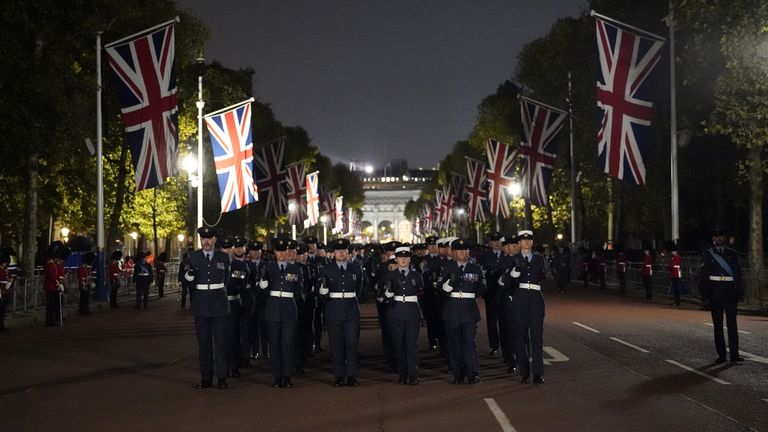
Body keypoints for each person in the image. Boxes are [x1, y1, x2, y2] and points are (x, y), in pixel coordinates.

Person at [184, 227, 231, 390]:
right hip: (201, 303)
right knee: (203, 344)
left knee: (221, 342)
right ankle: (206, 378)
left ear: (215, 240)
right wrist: (188, 278)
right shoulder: (192, 257)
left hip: (219, 302)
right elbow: (186, 281)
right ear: (200, 240)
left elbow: (228, 280)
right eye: (204, 239)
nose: (207, 242)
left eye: (210, 238)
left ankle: (222, 377)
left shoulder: (224, 257)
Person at [318, 238, 364, 387]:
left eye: (344, 251)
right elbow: (321, 292)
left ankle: (351, 374)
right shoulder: (326, 269)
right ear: (334, 253)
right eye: (338, 251)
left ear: (347, 252)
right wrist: (323, 291)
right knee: (336, 344)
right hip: (334, 308)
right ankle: (338, 375)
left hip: (351, 308)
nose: (341, 253)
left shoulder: (356, 268)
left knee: (351, 342)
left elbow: (360, 289)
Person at [440, 238, 485, 385]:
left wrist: (474, 293)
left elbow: (481, 288)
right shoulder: (445, 267)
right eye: (458, 250)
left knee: (469, 343)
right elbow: (439, 289)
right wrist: (446, 286)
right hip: (452, 309)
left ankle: (473, 373)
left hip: (468, 310)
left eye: (464, 250)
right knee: (454, 344)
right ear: (453, 252)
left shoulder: (475, 269)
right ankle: (458, 373)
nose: (461, 253)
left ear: (468, 252)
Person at [259, 238, 303, 388]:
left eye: (285, 251)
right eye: (279, 251)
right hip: (272, 308)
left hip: (289, 309)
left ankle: (287, 375)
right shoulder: (268, 268)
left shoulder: (296, 269)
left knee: (287, 343)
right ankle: (277, 376)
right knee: (275, 344)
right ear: (275, 253)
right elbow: (262, 291)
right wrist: (263, 285)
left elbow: (298, 291)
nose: (282, 254)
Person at [698, 227, 744, 363]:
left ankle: (734, 355)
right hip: (715, 292)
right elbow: (702, 277)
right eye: (717, 237)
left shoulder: (733, 254)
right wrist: (705, 297)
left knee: (732, 324)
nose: (719, 239)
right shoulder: (708, 255)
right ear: (713, 239)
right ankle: (722, 355)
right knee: (718, 325)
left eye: (722, 236)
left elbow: (738, 274)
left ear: (724, 238)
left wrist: (740, 291)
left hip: (730, 293)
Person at [507, 230, 547, 384]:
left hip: (536, 298)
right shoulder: (513, 259)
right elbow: (507, 282)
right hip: (520, 299)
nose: (526, 243)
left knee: (537, 338)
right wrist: (513, 274)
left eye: (529, 240)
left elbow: (542, 275)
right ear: (519, 243)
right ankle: (524, 372)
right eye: (523, 241)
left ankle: (538, 373)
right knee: (520, 337)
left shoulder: (539, 258)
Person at [382, 246, 423, 385]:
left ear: (410, 259)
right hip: (396, 312)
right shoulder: (390, 276)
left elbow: (421, 294)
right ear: (396, 259)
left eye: (406, 257)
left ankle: (413, 374)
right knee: (399, 345)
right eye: (400, 257)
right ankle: (402, 374)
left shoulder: (417, 276)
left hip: (412, 312)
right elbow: (384, 296)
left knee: (411, 344)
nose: (403, 260)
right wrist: (388, 294)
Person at [479, 231, 505, 357]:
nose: (496, 244)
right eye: (493, 241)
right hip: (491, 293)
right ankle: (494, 346)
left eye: (498, 241)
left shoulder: (507, 254)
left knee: (505, 320)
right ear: (490, 243)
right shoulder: (485, 255)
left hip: (505, 293)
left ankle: (506, 346)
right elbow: (482, 273)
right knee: (491, 321)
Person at [225, 237, 248, 378]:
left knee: (233, 336)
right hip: (218, 304)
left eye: (230, 248)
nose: (228, 251)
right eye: (225, 248)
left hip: (232, 303)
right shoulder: (216, 263)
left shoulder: (238, 266)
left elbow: (238, 284)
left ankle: (234, 366)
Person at [44, 241, 68, 327]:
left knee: (54, 305)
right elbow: (52, 277)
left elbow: (56, 275)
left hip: (54, 287)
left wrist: (60, 283)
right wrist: (58, 285)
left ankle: (52, 319)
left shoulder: (53, 264)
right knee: (50, 306)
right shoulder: (50, 265)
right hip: (51, 287)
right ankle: (50, 321)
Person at [0, 250, 16, 331]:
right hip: (1, 292)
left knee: (2, 311)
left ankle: (1, 325)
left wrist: (10, 281)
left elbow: (8, 278)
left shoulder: (5, 270)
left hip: (6, 291)